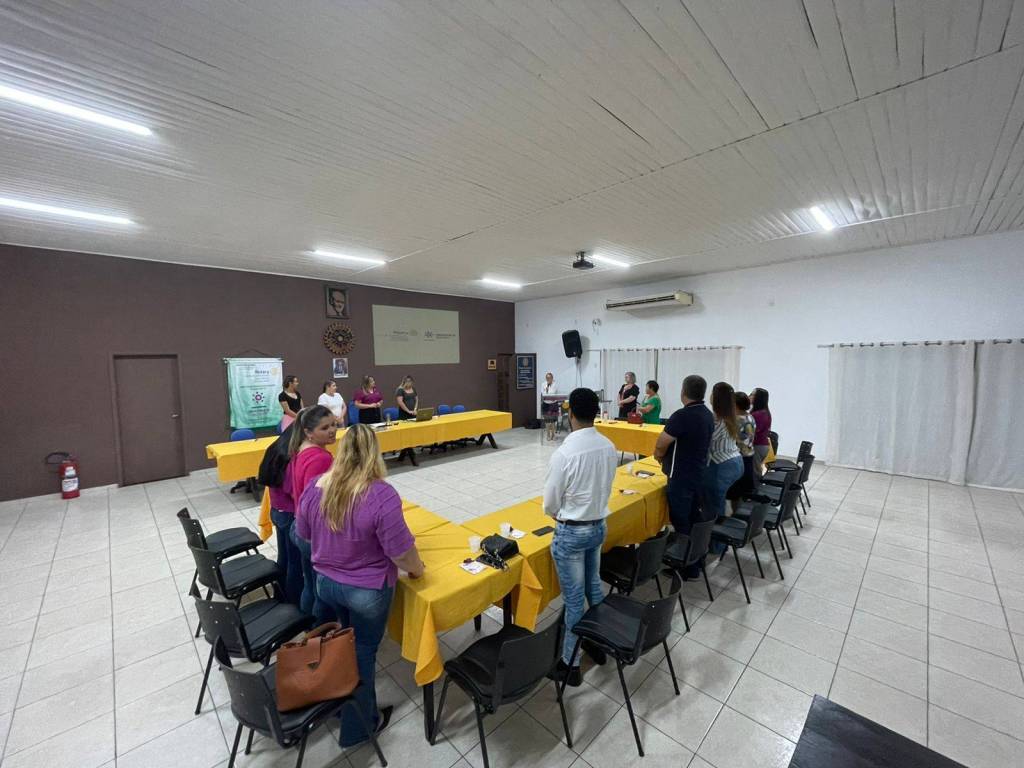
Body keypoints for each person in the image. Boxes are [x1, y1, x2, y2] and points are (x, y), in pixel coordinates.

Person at [296, 424, 425, 746]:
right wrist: (417, 570)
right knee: (362, 652)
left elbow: (304, 534)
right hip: (366, 591)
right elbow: (401, 552)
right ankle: (359, 726)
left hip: (326, 584)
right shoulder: (380, 494)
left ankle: (338, 705)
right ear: (374, 454)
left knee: (341, 642)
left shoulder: (315, 487)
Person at [543, 387, 617, 686]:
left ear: (570, 413)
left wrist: (561, 512)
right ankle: (597, 643)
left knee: (574, 601)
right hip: (598, 526)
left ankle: (569, 665)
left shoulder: (564, 453)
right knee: (594, 589)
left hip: (572, 533)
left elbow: (550, 502)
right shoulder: (609, 446)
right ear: (596, 413)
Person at [653, 375, 714, 574]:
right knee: (694, 518)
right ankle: (697, 560)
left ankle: (686, 566)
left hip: (680, 477)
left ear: (683, 392)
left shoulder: (682, 416)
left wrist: (659, 456)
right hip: (699, 473)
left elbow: (661, 443)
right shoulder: (707, 414)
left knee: (681, 522)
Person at [288, 405, 337, 622]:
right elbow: (316, 503)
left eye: (333, 424)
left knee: (310, 583)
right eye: (324, 428)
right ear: (308, 432)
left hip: (300, 525)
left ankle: (307, 623)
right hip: (314, 533)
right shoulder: (321, 458)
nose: (332, 430)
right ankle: (321, 629)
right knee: (322, 592)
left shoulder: (301, 449)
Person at [258, 423, 302, 605]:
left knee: (284, 557)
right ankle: (292, 602)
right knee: (295, 562)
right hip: (290, 514)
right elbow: (293, 491)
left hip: (277, 510)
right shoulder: (291, 458)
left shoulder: (275, 450)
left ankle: (281, 593)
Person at [704, 382, 744, 522]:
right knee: (719, 500)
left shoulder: (716, 420)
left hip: (722, 465)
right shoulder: (731, 416)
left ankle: (716, 534)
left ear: (715, 398)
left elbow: (706, 442)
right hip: (736, 461)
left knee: (714, 505)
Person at [727, 391, 757, 513]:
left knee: (735, 492)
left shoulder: (738, 420)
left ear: (736, 405)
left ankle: (736, 517)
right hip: (749, 456)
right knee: (741, 492)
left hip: (739, 458)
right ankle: (740, 514)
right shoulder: (750, 417)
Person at [751, 387, 772, 475]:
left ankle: (757, 484)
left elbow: (752, 432)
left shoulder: (759, 414)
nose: (750, 396)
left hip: (758, 446)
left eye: (752, 395)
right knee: (755, 470)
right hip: (760, 445)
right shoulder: (762, 412)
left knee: (755, 472)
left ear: (758, 398)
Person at [540, 371, 559, 440]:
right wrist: (546, 390)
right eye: (547, 378)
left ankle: (553, 435)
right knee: (547, 421)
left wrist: (547, 391)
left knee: (553, 421)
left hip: (553, 404)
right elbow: (543, 393)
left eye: (549, 378)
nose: (548, 379)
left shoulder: (555, 384)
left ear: (552, 378)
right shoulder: (543, 384)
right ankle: (548, 435)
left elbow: (552, 393)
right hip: (546, 404)